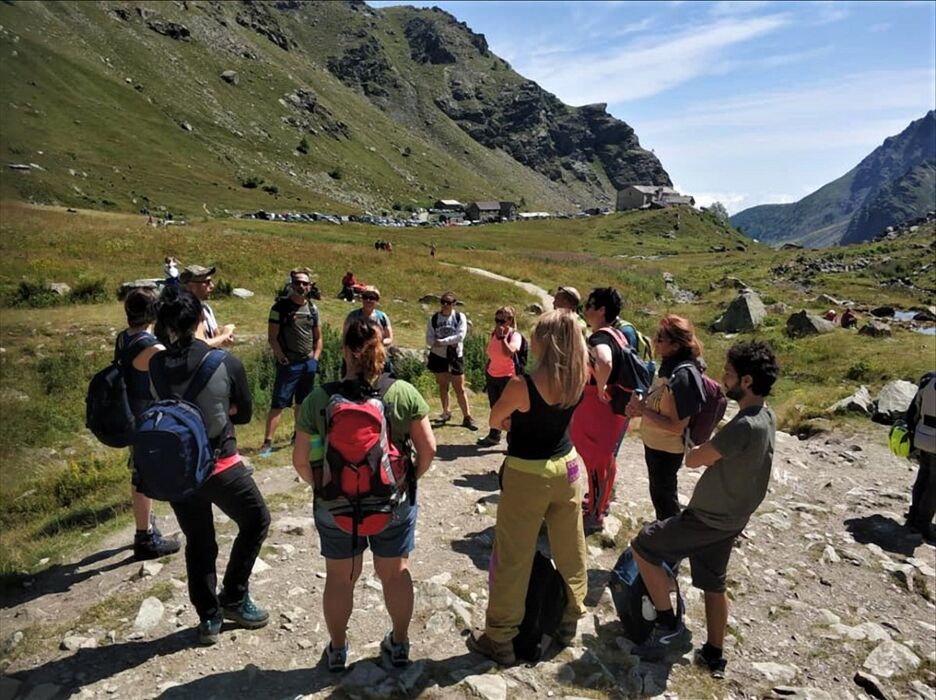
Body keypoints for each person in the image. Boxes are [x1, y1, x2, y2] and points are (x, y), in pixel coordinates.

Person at [293, 318, 437, 671]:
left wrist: (325, 488)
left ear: (344, 351)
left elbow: (300, 460)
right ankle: (399, 644)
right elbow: (429, 449)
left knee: (339, 578)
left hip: (335, 506)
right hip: (392, 504)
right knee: (395, 573)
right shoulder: (403, 393)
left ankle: (338, 650)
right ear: (382, 350)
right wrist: (405, 482)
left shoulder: (318, 399)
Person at [629, 341, 778, 677]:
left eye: (729, 374)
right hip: (732, 519)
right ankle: (714, 653)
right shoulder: (767, 417)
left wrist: (692, 442)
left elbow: (695, 460)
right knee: (713, 583)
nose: (724, 378)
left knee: (643, 546)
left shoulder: (744, 425)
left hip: (706, 519)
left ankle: (668, 624)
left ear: (747, 381)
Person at [467, 310, 589, 666]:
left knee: (513, 555)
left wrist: (513, 420)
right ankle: (569, 618)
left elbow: (496, 419)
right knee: (571, 545)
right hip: (568, 467)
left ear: (545, 342)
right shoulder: (581, 375)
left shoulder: (522, 384)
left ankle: (500, 638)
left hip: (527, 472)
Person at [152, 288, 270, 646]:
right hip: (220, 465)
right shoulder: (224, 362)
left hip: (178, 470)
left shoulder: (156, 365)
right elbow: (244, 414)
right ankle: (233, 595)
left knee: (199, 541)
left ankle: (208, 617)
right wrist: (223, 409)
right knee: (256, 519)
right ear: (201, 319)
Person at [119, 288, 181, 560]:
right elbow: (174, 368)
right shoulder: (151, 346)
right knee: (144, 474)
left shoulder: (125, 337)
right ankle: (144, 537)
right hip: (146, 418)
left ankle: (145, 524)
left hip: (130, 413)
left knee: (140, 471)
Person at [626, 315, 706, 523]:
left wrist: (643, 410)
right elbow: (660, 403)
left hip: (666, 450)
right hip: (656, 445)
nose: (655, 341)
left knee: (664, 498)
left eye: (661, 338)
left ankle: (671, 534)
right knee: (660, 494)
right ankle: (667, 530)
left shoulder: (683, 377)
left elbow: (677, 427)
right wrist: (641, 407)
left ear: (675, 345)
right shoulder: (670, 368)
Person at [570, 287, 630, 531]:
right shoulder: (619, 334)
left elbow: (604, 361)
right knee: (605, 460)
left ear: (601, 310)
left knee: (595, 461)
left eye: (589, 305)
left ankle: (595, 514)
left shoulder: (600, 337)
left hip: (597, 407)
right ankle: (600, 502)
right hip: (614, 408)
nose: (585, 310)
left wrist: (601, 386)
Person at [259, 268, 322, 457]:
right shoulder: (279, 308)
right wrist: (281, 357)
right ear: (291, 285)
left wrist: (315, 359)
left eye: (304, 283)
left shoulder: (313, 309)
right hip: (289, 364)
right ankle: (267, 443)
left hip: (308, 363)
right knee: (278, 404)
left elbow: (318, 337)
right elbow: (272, 337)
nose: (301, 286)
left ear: (309, 286)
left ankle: (297, 436)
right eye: (297, 283)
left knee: (302, 403)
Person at [426, 292, 477, 430]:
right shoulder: (434, 318)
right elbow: (429, 339)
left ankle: (467, 416)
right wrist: (442, 343)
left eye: (448, 302)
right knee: (443, 385)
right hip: (438, 355)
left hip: (455, 356)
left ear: (454, 304)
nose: (445, 305)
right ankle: (446, 412)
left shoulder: (459, 317)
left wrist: (441, 342)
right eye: (443, 302)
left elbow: (460, 336)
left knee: (459, 387)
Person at [478, 306, 522, 447]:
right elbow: (492, 353)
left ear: (510, 320)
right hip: (493, 376)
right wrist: (488, 367)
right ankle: (494, 436)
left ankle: (513, 442)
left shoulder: (515, 336)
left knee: (509, 410)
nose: (499, 323)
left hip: (507, 377)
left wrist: (502, 337)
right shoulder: (494, 333)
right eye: (497, 320)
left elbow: (509, 352)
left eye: (502, 321)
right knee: (495, 408)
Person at [904, 372, 936, 543]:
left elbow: (914, 409)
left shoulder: (929, 380)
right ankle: (922, 524)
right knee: (934, 486)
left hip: (923, 437)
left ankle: (913, 516)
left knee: (923, 476)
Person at [181, 265, 235, 347]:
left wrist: (224, 333)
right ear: (191, 285)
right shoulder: (183, 312)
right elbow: (198, 347)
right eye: (207, 282)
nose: (212, 286)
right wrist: (225, 335)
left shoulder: (205, 308)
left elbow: (215, 335)